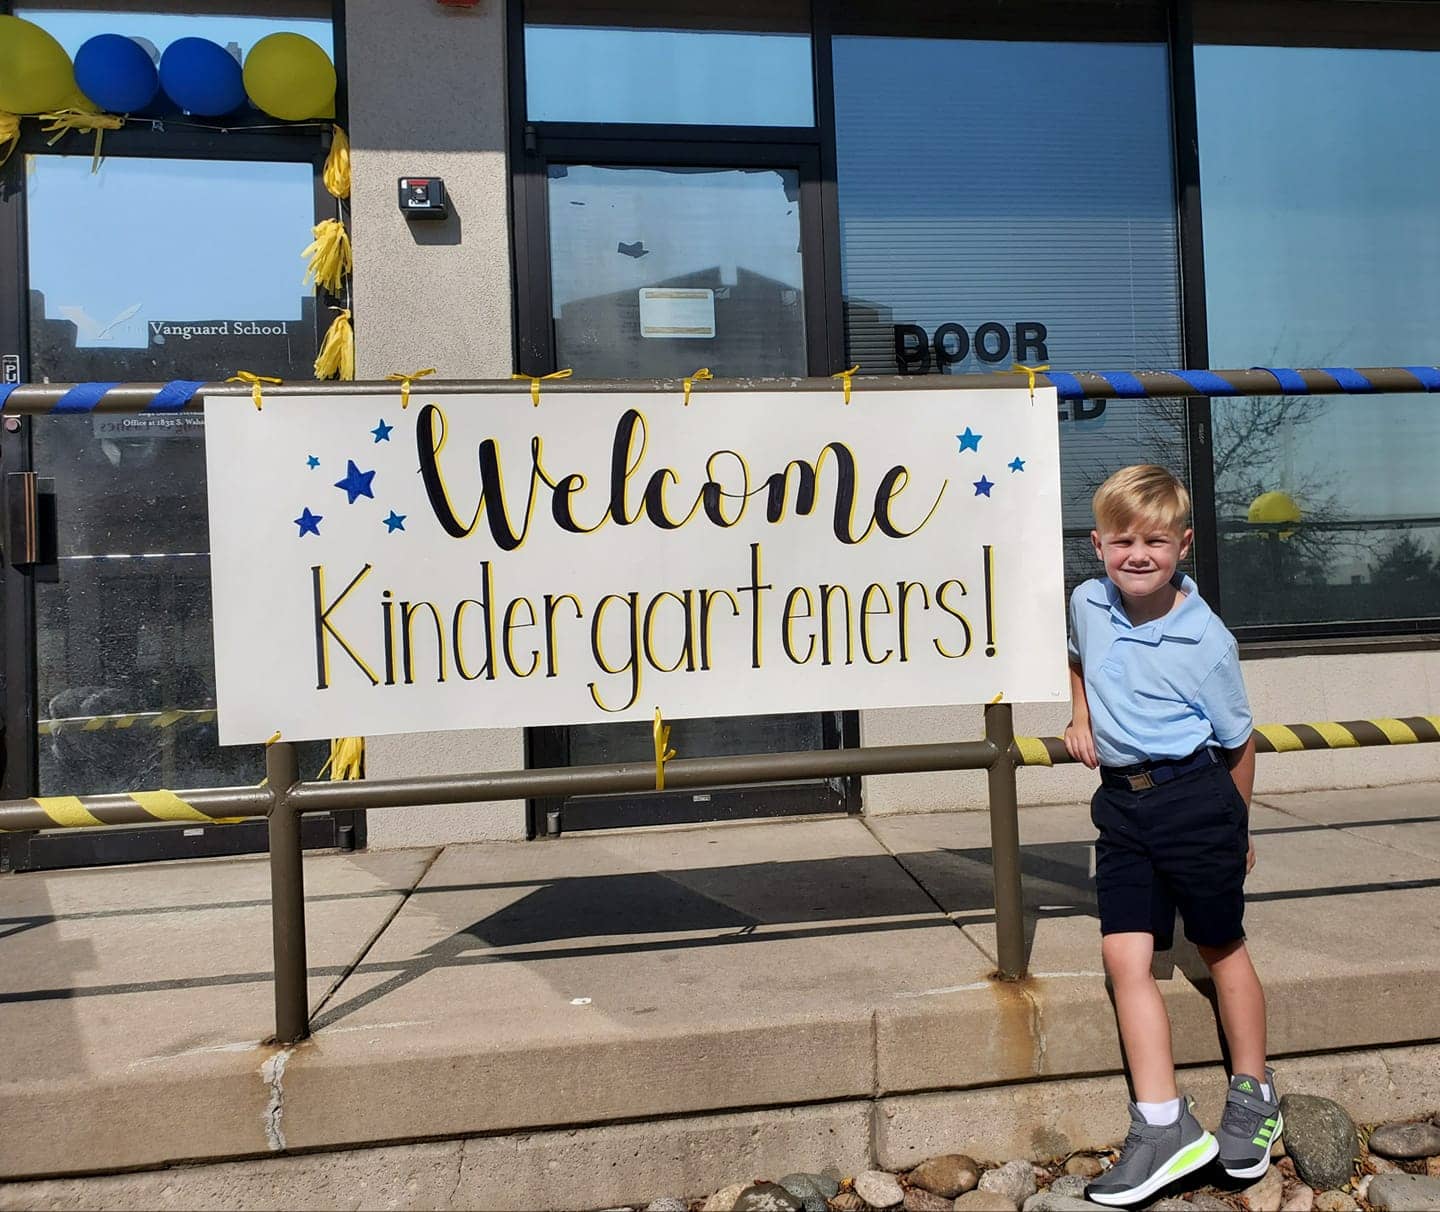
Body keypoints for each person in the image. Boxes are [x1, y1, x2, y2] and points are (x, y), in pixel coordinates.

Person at [1064, 465, 1278, 1208]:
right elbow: (1078, 656)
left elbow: (1240, 743)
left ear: (1183, 545)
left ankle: (1254, 1092)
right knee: (1123, 952)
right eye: (1123, 540)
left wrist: (1236, 825)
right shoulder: (1088, 601)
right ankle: (1163, 1124)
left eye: (1155, 540)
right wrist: (1080, 714)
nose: (1138, 554)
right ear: (1098, 545)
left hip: (1195, 800)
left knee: (1220, 945)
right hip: (1120, 806)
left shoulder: (1205, 640)